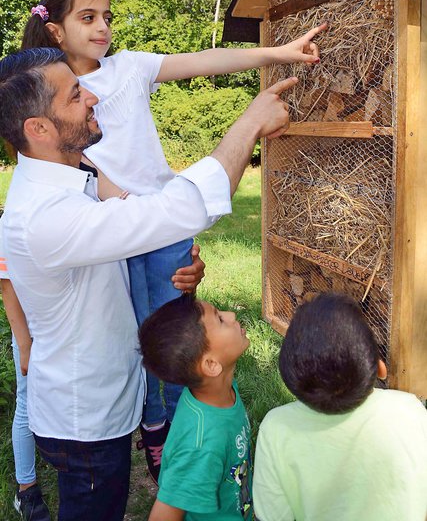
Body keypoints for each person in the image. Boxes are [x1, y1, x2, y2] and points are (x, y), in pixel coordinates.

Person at [21, 0, 326, 480]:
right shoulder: (54, 96)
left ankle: (191, 432)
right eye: (88, 18)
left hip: (161, 229)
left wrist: (279, 52)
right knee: (134, 338)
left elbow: (204, 59)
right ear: (55, 31)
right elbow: (79, 169)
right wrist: (128, 205)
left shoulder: (130, 68)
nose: (103, 28)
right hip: (114, 231)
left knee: (181, 336)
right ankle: (153, 428)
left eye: (107, 17)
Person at [0, 46, 293, 521]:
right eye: (75, 96)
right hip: (86, 418)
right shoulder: (42, 218)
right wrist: (249, 123)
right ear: (39, 129)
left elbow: (140, 240)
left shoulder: (77, 178)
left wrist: (182, 276)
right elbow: (175, 209)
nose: (93, 96)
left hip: (109, 397)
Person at [253, 293, 427, 521]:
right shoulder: (410, 410)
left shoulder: (276, 428)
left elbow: (271, 516)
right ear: (380, 367)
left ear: (290, 376)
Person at [139, 293, 253, 520]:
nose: (231, 315)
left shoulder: (221, 391)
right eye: (220, 319)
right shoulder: (200, 445)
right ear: (211, 365)